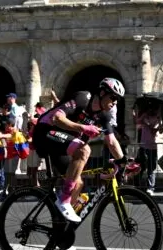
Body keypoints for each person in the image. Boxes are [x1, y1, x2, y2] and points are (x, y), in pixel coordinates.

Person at [31, 79, 130, 223]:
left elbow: (112, 142)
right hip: (44, 133)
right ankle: (64, 200)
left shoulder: (104, 115)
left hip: (62, 144)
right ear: (102, 93)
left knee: (77, 183)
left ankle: (60, 225)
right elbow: (56, 118)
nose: (115, 102)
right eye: (113, 97)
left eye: (118, 100)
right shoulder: (82, 98)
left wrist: (123, 161)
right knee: (84, 150)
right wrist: (83, 128)